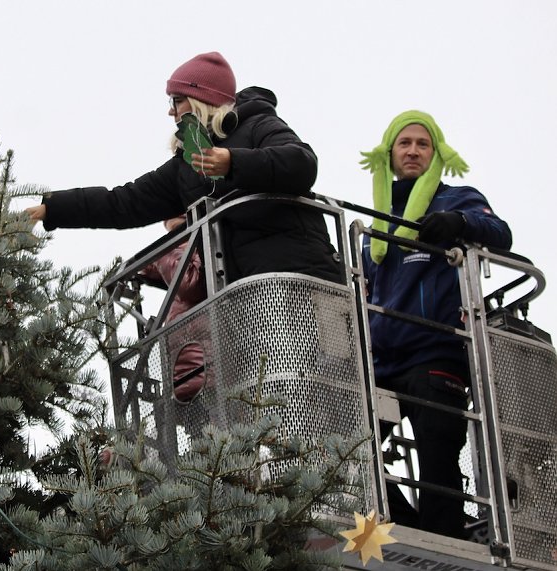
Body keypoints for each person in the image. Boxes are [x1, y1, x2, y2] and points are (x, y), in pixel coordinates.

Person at [25, 51, 340, 284]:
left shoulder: (258, 124)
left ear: (201, 99)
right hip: (241, 291)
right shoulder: (186, 166)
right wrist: (53, 208)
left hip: (302, 278)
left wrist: (233, 162)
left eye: (177, 100)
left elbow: (301, 163)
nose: (170, 111)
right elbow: (124, 202)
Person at [359, 110, 512, 539]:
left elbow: (501, 232)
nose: (412, 151)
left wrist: (459, 224)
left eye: (422, 144)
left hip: (435, 349)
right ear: (388, 154)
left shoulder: (454, 199)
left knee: (438, 449)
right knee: (354, 449)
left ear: (436, 153)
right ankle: (404, 527)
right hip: (381, 360)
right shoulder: (378, 220)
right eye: (404, 144)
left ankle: (444, 537)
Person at [140, 215, 208, 402]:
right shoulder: (184, 248)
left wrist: (164, 251)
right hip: (190, 374)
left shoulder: (203, 242)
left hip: (207, 375)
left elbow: (190, 284)